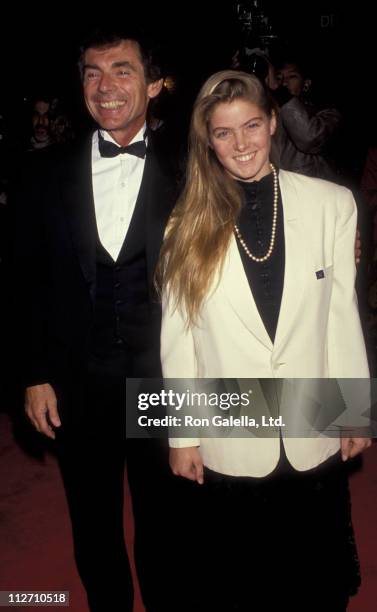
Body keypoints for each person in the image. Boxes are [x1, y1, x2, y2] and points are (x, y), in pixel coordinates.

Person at [158, 70, 371, 611]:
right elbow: (178, 339)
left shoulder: (332, 204)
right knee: (244, 586)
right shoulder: (184, 223)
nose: (242, 143)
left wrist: (356, 413)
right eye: (224, 132)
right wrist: (182, 434)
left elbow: (342, 317)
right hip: (232, 431)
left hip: (312, 420)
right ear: (207, 138)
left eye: (252, 125)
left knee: (319, 585)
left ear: (274, 123)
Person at [12, 27, 177, 612]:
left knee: (169, 524)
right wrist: (32, 372)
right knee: (93, 522)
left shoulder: (192, 171)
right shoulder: (41, 173)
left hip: (166, 380)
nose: (105, 86)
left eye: (123, 70)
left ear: (155, 84)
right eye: (92, 72)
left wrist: (338, 240)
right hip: (77, 381)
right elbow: (20, 280)